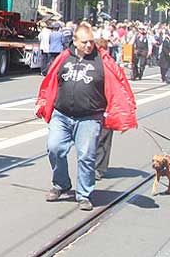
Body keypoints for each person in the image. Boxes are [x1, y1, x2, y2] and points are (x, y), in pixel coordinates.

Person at [36, 23, 137, 211]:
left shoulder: (102, 60)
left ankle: (84, 194)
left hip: (90, 117)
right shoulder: (64, 57)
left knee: (86, 156)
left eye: (91, 42)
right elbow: (50, 81)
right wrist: (44, 102)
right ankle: (61, 185)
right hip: (62, 114)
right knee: (54, 148)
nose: (89, 45)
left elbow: (118, 83)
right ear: (75, 41)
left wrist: (121, 111)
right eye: (85, 42)